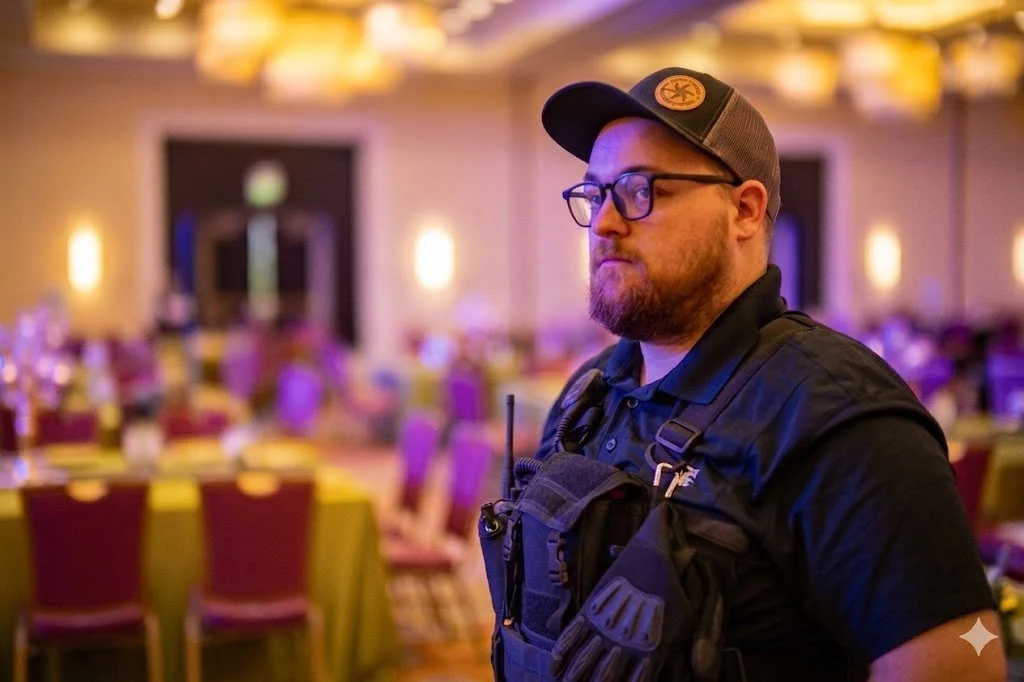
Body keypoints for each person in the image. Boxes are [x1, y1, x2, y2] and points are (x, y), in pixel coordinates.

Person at [500, 67, 1005, 681]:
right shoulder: (590, 393)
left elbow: (960, 666)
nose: (605, 222)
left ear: (745, 209)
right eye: (595, 193)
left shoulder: (836, 414)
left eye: (639, 189)